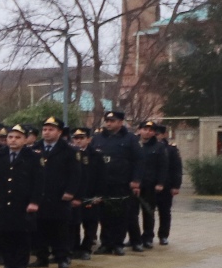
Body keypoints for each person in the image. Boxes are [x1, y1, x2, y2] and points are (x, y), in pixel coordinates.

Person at [0, 123, 41, 268]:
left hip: (23, 203)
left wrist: (34, 201)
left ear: (25, 139)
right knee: (4, 234)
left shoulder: (33, 157)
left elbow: (38, 181)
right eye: (10, 137)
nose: (13, 140)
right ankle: (8, 264)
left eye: (18, 137)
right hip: (2, 202)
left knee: (22, 235)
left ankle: (21, 265)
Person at [90, 110, 141, 255]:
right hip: (103, 183)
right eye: (107, 121)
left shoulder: (130, 139)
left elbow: (138, 161)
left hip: (122, 182)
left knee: (121, 215)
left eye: (112, 121)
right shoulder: (98, 138)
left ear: (120, 122)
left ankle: (118, 243)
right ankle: (106, 243)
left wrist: (136, 180)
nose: (108, 123)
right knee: (104, 215)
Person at [31, 116, 79, 268]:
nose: (46, 132)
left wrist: (71, 191)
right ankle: (41, 257)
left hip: (59, 196)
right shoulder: (35, 149)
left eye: (51, 129)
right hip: (40, 196)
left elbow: (76, 174)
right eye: (44, 129)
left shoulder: (69, 150)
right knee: (40, 228)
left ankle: (62, 258)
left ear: (59, 132)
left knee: (60, 229)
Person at [136, 119, 168, 249]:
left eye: (150, 130)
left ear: (154, 133)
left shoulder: (159, 147)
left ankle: (148, 237)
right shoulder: (134, 144)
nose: (147, 132)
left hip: (150, 184)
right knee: (132, 213)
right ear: (139, 130)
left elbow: (163, 166)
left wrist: (160, 183)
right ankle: (134, 237)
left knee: (148, 212)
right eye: (145, 129)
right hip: (134, 184)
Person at [71, 126, 101, 258]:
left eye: (81, 138)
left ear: (89, 139)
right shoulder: (70, 154)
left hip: (90, 194)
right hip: (74, 195)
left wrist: (99, 195)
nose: (78, 141)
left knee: (90, 223)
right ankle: (74, 248)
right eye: (75, 138)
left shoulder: (96, 155)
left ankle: (86, 248)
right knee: (73, 224)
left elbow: (101, 177)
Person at [150, 123, 182, 245]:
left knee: (164, 212)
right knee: (148, 212)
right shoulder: (146, 147)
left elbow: (177, 169)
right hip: (150, 185)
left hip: (166, 186)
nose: (155, 135)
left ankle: (163, 235)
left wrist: (176, 186)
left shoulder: (170, 150)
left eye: (157, 134)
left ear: (164, 135)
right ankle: (148, 236)